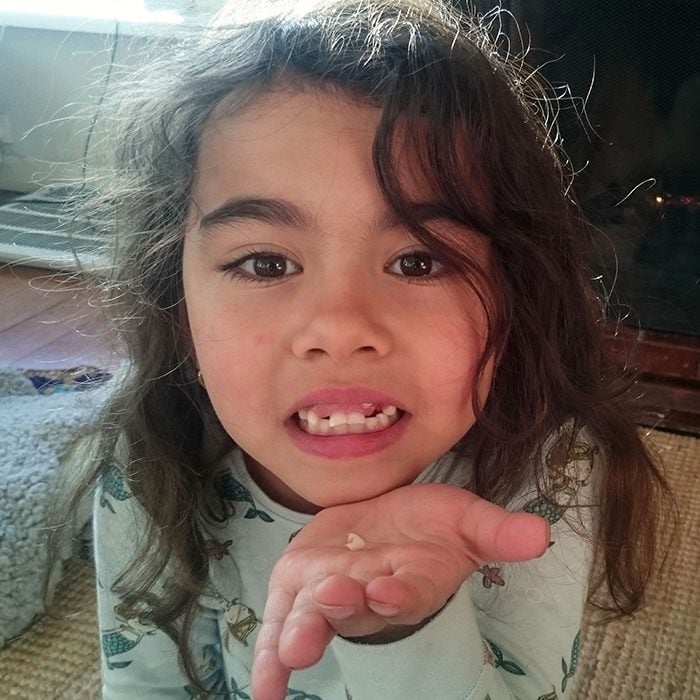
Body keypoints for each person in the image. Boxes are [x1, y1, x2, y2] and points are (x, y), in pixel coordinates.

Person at [60, 0, 671, 697]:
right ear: (177, 310)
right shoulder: (148, 456)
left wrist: (401, 629)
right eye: (265, 263)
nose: (341, 328)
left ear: (514, 295)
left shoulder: (548, 470)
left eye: (419, 261)